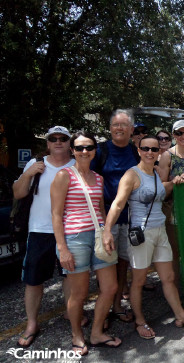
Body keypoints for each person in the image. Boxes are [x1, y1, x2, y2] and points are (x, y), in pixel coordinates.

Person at [103, 135, 184, 339]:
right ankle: (140, 322)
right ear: (139, 150)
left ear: (159, 152)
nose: (150, 152)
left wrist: (177, 180)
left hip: (160, 232)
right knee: (139, 281)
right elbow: (117, 203)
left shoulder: (157, 174)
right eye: (146, 148)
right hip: (141, 234)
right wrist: (107, 230)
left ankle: (181, 317)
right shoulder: (131, 175)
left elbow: (163, 190)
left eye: (154, 149)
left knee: (168, 278)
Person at [51, 132, 121, 356]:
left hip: (99, 236)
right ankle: (77, 335)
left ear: (94, 150)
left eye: (88, 147)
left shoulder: (98, 178)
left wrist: (107, 232)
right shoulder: (64, 175)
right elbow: (56, 214)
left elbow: (101, 210)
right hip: (75, 238)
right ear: (72, 150)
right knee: (79, 293)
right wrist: (62, 248)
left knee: (110, 287)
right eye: (79, 148)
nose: (84, 151)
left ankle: (97, 332)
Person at [14, 126, 76, 348]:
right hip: (40, 231)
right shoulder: (35, 165)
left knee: (70, 276)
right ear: (48, 143)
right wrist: (29, 174)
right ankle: (32, 324)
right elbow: (18, 192)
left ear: (69, 143)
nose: (58, 142)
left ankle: (71, 315)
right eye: (53, 139)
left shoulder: (76, 164)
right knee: (33, 280)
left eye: (63, 138)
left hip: (70, 230)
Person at [91, 109, 139, 324]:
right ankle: (104, 309)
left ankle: (118, 304)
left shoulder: (136, 152)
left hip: (129, 217)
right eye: (115, 125)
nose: (119, 128)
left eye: (123, 125)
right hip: (105, 217)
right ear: (110, 128)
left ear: (131, 130)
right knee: (105, 265)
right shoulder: (100, 151)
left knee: (121, 264)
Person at [158, 120, 184, 282]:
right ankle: (174, 289)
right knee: (174, 253)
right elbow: (161, 188)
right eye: (179, 133)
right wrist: (175, 181)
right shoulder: (167, 156)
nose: (183, 136)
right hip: (172, 212)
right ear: (174, 135)